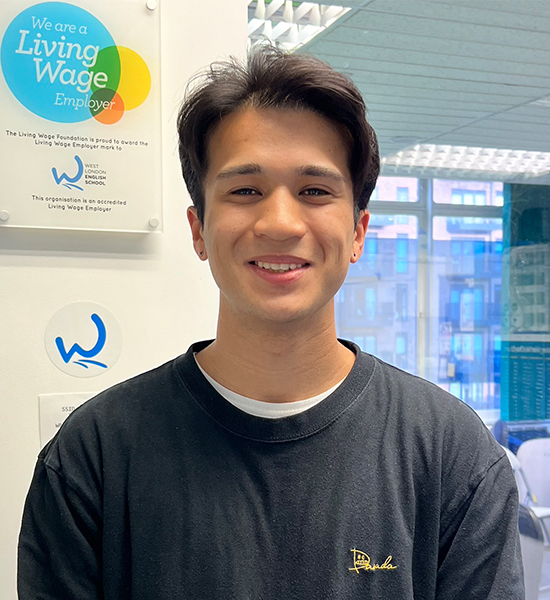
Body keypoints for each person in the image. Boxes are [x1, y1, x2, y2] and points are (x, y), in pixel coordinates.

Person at [18, 46, 524, 599]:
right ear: (198, 230)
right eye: (245, 190)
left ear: (357, 233)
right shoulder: (93, 455)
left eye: (314, 191)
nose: (280, 223)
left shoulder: (452, 454)